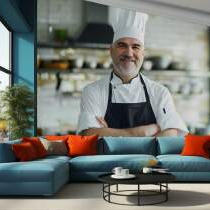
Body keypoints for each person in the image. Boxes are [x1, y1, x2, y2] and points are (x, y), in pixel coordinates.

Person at [77, 8, 187, 137]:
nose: (129, 53)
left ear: (143, 53)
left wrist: (108, 133)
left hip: (149, 159)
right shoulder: (93, 91)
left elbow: (171, 133)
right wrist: (144, 132)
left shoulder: (159, 92)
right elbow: (89, 135)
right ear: (111, 50)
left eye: (135, 46)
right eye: (122, 45)